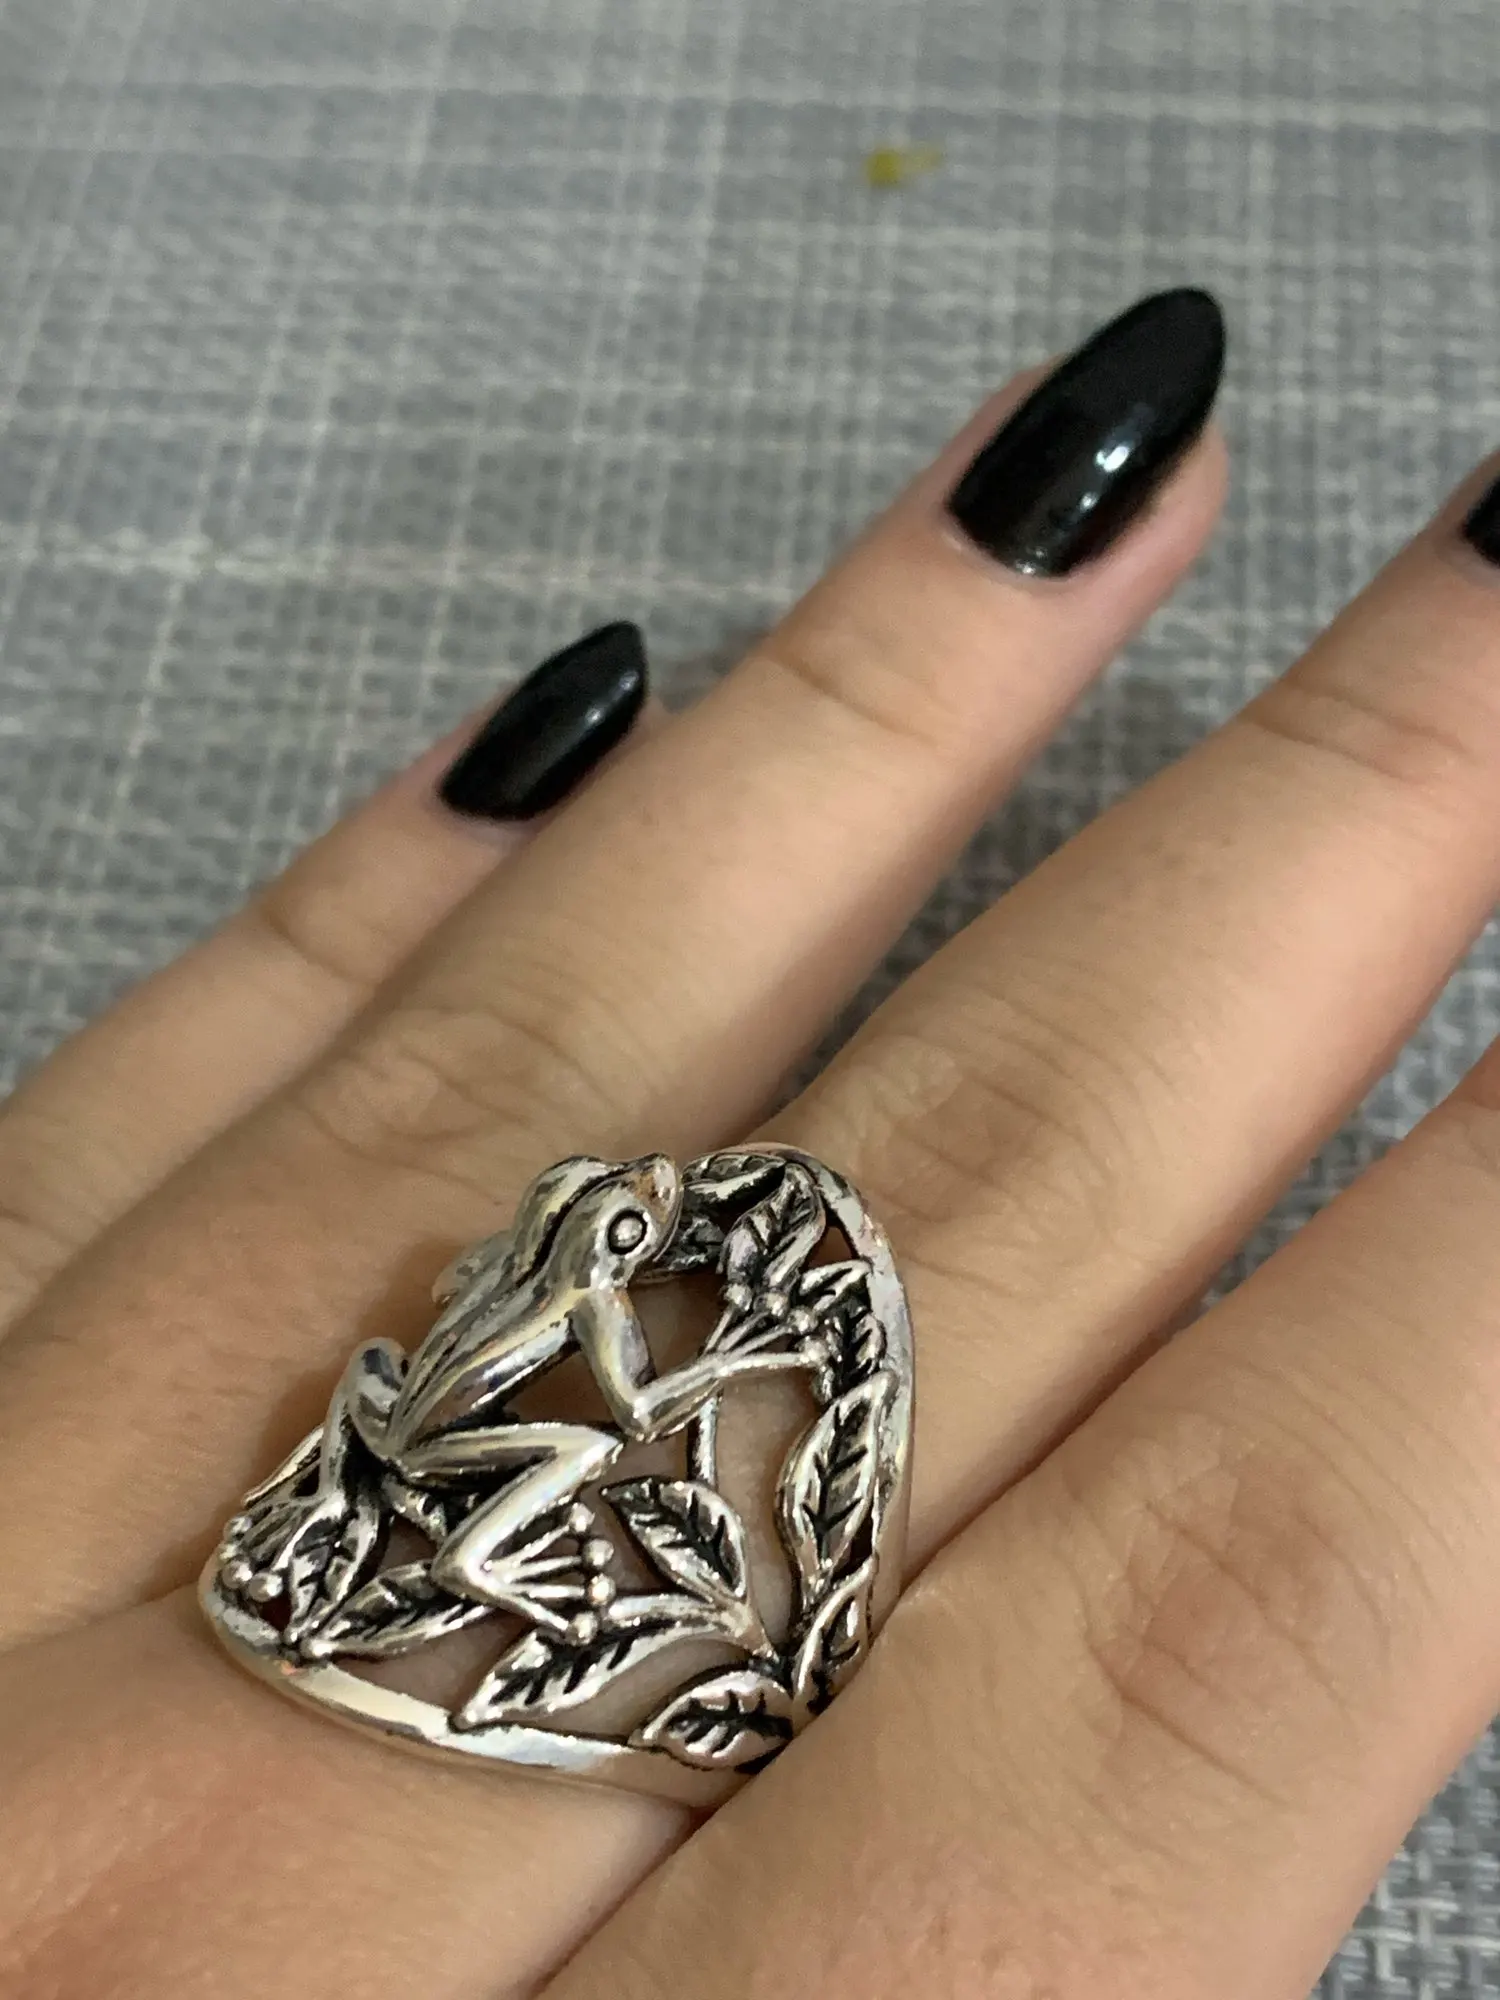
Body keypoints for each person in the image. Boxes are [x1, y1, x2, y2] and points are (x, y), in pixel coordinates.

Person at [1, 285, 1498, 1996]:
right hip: (473, 1508)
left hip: (450, 1465)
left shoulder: (585, 1284)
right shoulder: (583, 1311)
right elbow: (601, 1391)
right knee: (1223, 1637)